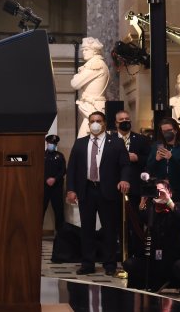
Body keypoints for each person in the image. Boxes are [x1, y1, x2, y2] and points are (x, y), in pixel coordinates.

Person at [66, 110, 131, 276]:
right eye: (92, 121)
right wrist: (71, 189)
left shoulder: (115, 142)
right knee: (86, 229)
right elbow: (72, 168)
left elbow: (125, 165)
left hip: (108, 190)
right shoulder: (80, 143)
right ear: (89, 124)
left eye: (98, 121)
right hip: (86, 189)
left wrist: (124, 179)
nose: (95, 123)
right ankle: (87, 263)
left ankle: (110, 264)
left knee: (109, 229)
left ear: (104, 123)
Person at [126, 180, 180, 297]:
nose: (158, 194)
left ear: (169, 193)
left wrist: (168, 201)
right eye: (156, 191)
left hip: (173, 258)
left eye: (161, 191)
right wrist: (142, 202)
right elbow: (141, 217)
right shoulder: (152, 210)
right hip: (154, 260)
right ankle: (147, 284)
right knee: (130, 264)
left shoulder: (176, 207)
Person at [148, 117, 180, 205]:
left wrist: (171, 158)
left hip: (176, 189)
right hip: (159, 189)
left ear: (175, 131)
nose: (167, 133)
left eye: (169, 130)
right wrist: (156, 160)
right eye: (164, 131)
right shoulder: (156, 146)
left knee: (176, 215)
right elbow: (149, 169)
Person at [71, 38, 109, 137]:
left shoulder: (96, 64)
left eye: (86, 49)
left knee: (84, 142)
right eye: (83, 50)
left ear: (95, 51)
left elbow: (75, 84)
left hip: (93, 109)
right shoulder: (96, 64)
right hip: (91, 108)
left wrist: (77, 75)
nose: (83, 52)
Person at [115, 109, 151, 212]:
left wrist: (138, 158)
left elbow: (150, 160)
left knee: (135, 220)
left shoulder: (141, 139)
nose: (125, 121)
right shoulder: (110, 139)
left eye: (127, 119)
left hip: (135, 186)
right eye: (121, 119)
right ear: (116, 123)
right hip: (115, 185)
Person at [44, 134, 67, 231]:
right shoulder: (41, 155)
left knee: (59, 212)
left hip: (56, 188)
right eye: (50, 143)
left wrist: (55, 179)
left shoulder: (60, 156)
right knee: (40, 211)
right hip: (43, 187)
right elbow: (38, 170)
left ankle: (60, 236)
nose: (51, 145)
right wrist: (46, 179)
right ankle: (36, 235)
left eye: (53, 144)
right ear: (47, 143)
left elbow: (63, 170)